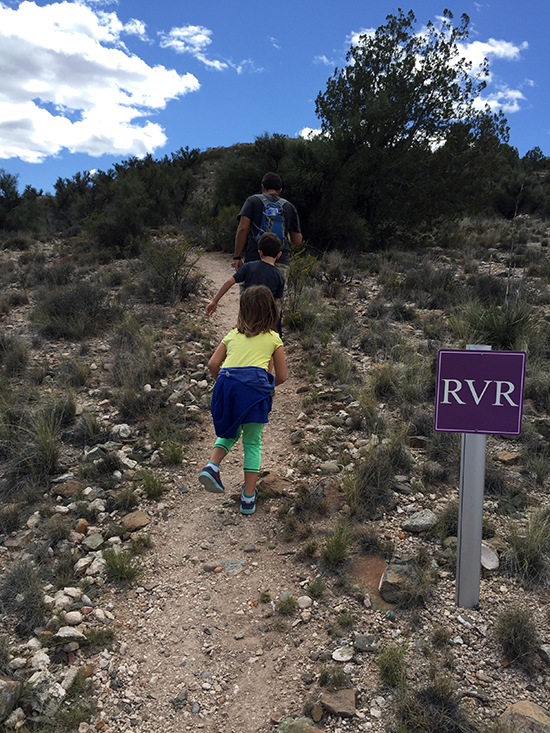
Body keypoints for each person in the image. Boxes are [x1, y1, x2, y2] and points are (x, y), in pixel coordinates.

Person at [199, 285, 287, 515]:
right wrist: (262, 386)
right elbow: (283, 376)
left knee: (229, 431)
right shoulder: (273, 338)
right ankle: (248, 498)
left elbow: (212, 364)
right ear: (271, 310)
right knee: (252, 442)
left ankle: (212, 465)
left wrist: (226, 385)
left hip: (226, 387)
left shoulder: (232, 334)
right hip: (254, 393)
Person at [233, 172, 302, 284]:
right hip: (280, 260)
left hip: (254, 258)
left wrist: (237, 256)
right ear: (280, 190)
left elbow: (242, 228)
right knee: (275, 299)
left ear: (263, 187)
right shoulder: (289, 207)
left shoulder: (252, 201)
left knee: (250, 298)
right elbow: (297, 241)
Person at [206, 232, 285, 317]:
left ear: (260, 252)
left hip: (247, 313)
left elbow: (230, 281)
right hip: (265, 318)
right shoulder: (279, 277)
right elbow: (275, 301)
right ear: (279, 255)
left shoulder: (248, 267)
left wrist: (215, 301)